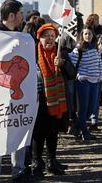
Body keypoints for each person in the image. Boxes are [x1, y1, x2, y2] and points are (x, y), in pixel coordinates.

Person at [0, 0, 29, 183]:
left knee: (19, 126)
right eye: (20, 13)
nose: (22, 17)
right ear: (11, 15)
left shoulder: (20, 35)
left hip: (18, 96)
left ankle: (18, 171)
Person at [31, 23, 69, 178]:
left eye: (53, 36)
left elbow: (73, 74)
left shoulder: (61, 53)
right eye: (46, 36)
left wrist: (63, 64)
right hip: (38, 99)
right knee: (38, 134)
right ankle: (36, 164)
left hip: (56, 102)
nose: (50, 39)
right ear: (39, 38)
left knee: (53, 133)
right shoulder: (31, 54)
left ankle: (51, 162)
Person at [69, 25, 102, 141]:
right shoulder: (78, 49)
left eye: (89, 33)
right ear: (82, 36)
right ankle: (84, 132)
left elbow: (99, 63)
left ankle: (75, 128)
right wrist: (79, 75)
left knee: (92, 109)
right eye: (85, 34)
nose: (88, 36)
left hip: (95, 82)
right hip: (83, 82)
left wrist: (100, 77)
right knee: (83, 109)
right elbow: (72, 63)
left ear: (93, 35)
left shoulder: (95, 48)